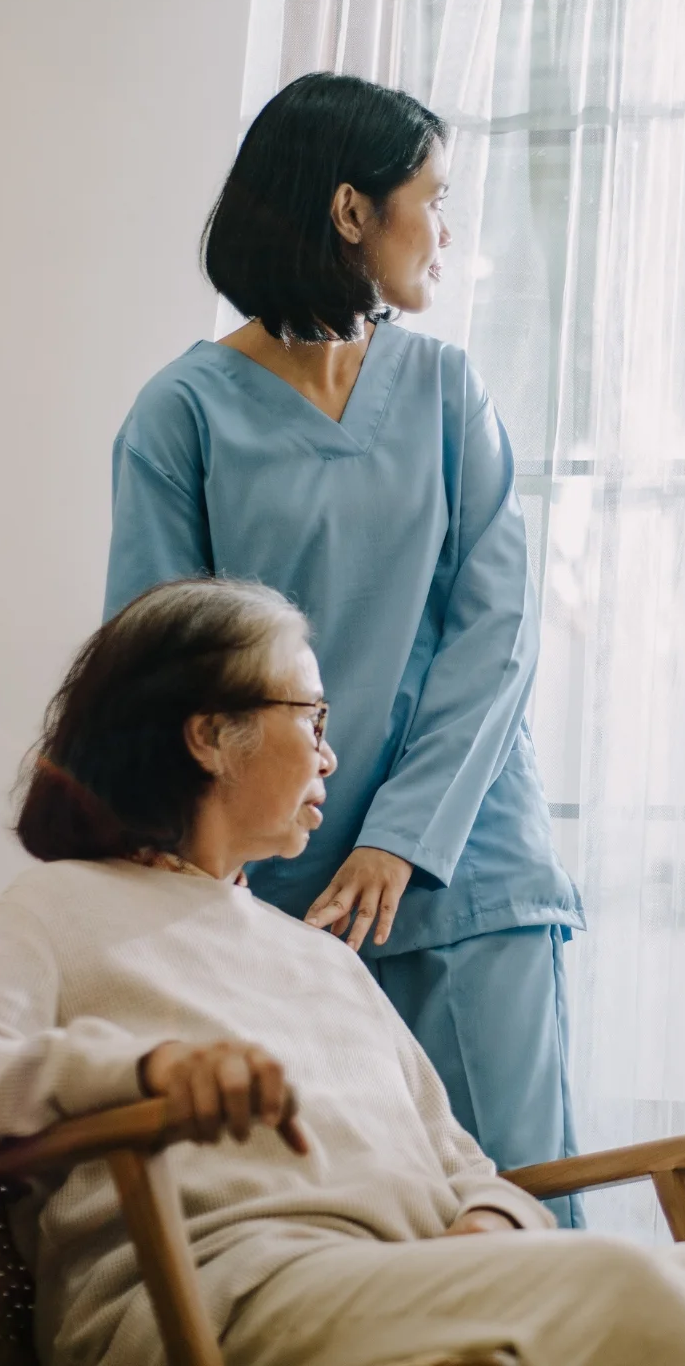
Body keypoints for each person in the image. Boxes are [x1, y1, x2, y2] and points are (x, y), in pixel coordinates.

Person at [0, 578, 685, 1366]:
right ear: (207, 733)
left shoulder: (319, 957)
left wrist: (486, 1224)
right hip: (220, 1294)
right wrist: (134, 1069)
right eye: (310, 716)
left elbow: (465, 1167)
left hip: (397, 1281)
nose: (330, 751)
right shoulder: (60, 906)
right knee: (627, 1285)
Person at [103, 73, 586, 1222]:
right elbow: (159, 673)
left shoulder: (445, 390)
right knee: (338, 1230)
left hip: (465, 869)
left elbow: (497, 634)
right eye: (432, 194)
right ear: (349, 212)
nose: (446, 226)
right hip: (272, 893)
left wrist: (401, 841)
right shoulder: (184, 415)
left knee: (528, 1212)